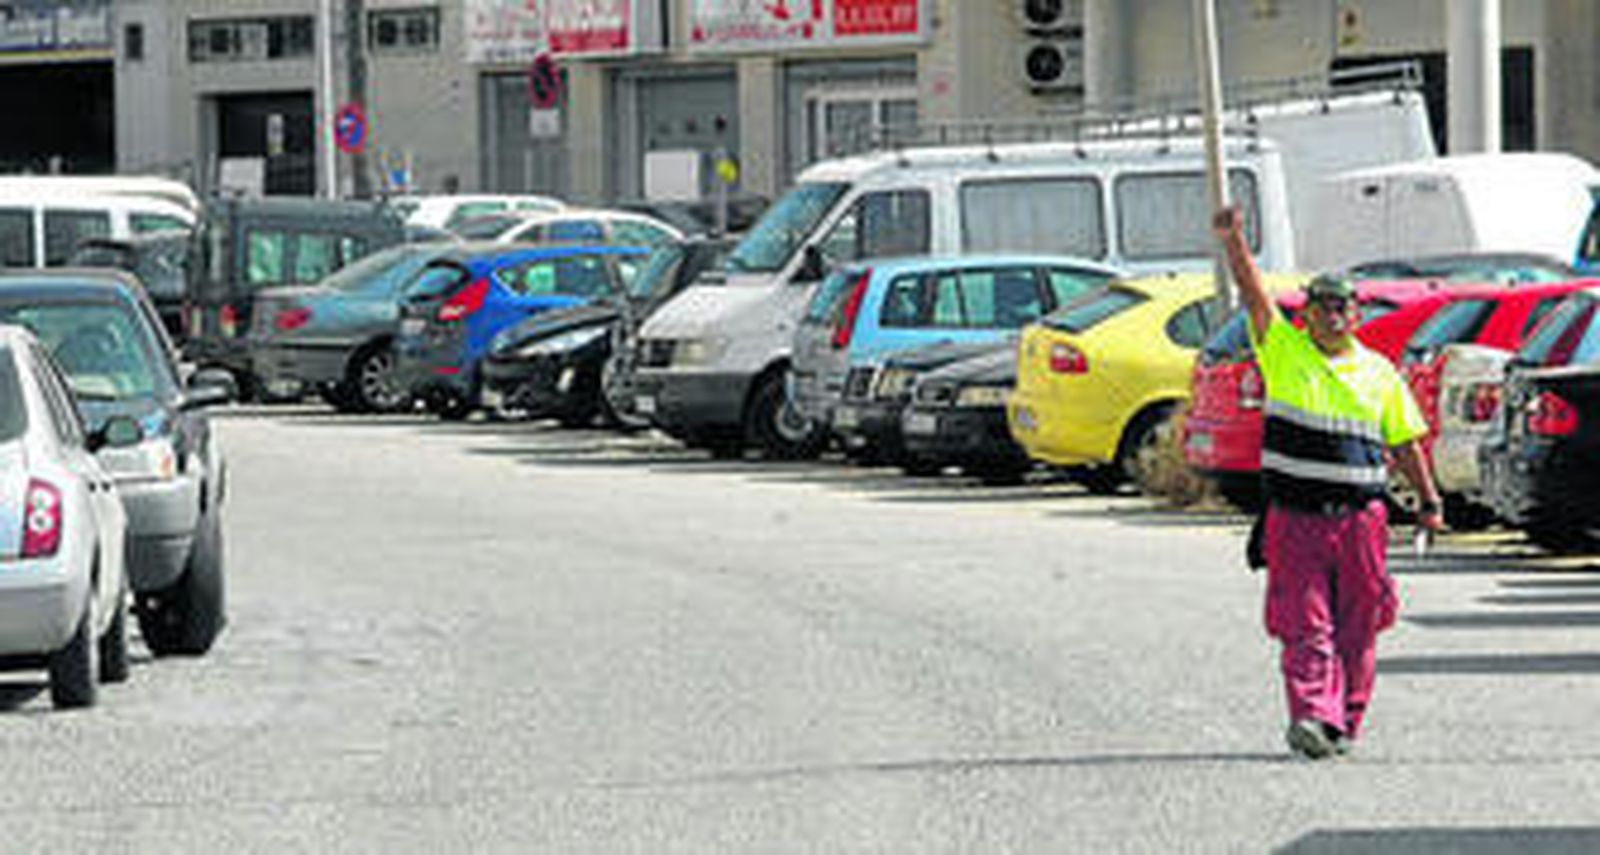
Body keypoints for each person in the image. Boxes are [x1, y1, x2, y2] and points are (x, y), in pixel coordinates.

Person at [1213, 207, 1445, 761]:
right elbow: (1253, 295)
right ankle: (1313, 715)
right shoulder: (1284, 351)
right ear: (1308, 315)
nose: (1333, 316)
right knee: (1305, 622)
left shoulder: (1380, 372)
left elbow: (1406, 442)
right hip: (1295, 518)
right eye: (1322, 307)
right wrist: (1234, 242)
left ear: (1356, 315)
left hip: (1361, 519)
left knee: (1359, 624)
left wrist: (1430, 502)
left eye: (1343, 307)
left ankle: (1345, 719)